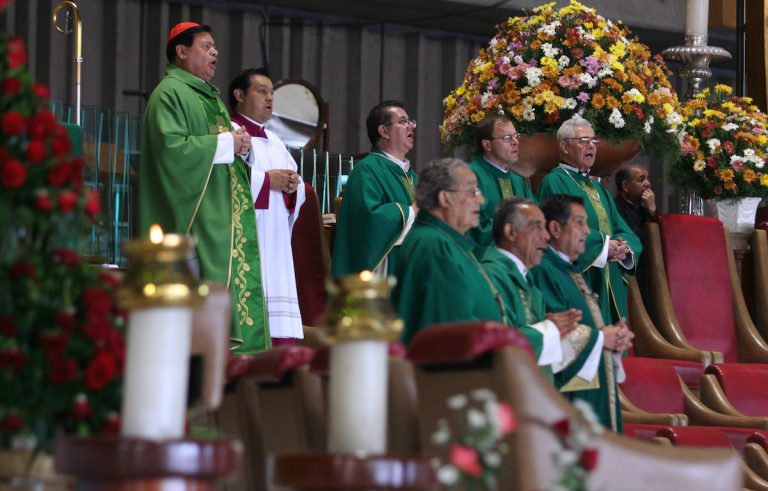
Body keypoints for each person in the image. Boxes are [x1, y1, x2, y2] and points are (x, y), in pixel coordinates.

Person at [139, 22, 269, 354]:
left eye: (215, 47)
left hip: (220, 216)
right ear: (182, 51)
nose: (216, 52)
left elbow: (224, 149)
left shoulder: (209, 97)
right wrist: (227, 143)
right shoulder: (169, 93)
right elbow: (172, 151)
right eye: (206, 46)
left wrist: (240, 146)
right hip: (195, 219)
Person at [529, 194, 633, 433]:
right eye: (579, 223)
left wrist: (612, 341)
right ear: (555, 228)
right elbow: (551, 337)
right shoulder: (545, 271)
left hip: (588, 386)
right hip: (568, 395)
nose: (587, 231)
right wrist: (601, 338)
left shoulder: (568, 270)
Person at [536, 115, 641, 323]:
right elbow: (560, 230)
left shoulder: (598, 188)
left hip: (610, 280)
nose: (591, 146)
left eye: (594, 141)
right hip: (583, 277)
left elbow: (623, 229)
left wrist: (624, 248)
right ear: (565, 147)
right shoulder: (554, 181)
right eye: (584, 141)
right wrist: (604, 247)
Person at [228, 68, 305, 345]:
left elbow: (295, 187)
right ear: (239, 95)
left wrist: (293, 187)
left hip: (275, 237)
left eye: (272, 93)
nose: (270, 98)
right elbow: (224, 181)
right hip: (246, 235)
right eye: (262, 91)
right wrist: (267, 181)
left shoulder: (275, 140)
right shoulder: (228, 132)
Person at [392, 158, 506, 344]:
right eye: (472, 192)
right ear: (445, 198)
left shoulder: (446, 239)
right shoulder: (434, 246)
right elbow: (449, 335)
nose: (481, 200)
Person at [481, 197, 582, 381]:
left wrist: (557, 330)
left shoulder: (524, 275)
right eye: (537, 227)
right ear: (511, 232)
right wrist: (550, 329)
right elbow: (495, 344)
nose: (546, 236)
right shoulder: (492, 275)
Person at [332, 100, 418, 278]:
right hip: (382, 272)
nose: (411, 126)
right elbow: (369, 221)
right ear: (384, 131)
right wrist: (413, 211)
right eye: (403, 121)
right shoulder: (367, 170)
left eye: (410, 121)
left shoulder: (411, 175)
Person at [469, 115, 536, 249]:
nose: (515, 142)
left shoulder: (517, 181)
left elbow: (536, 217)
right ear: (487, 144)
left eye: (516, 136)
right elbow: (473, 230)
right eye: (507, 138)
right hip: (487, 258)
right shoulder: (470, 177)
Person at [614, 163, 655, 303]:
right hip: (629, 277)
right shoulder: (615, 208)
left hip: (648, 273)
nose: (648, 183)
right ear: (625, 186)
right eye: (641, 179)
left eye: (647, 179)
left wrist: (652, 212)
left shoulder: (644, 210)